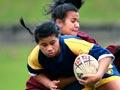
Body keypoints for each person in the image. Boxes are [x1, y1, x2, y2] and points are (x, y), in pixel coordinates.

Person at [26, 21, 120, 90]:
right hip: (78, 82)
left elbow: (105, 55)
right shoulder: (35, 56)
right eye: (44, 45)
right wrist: (48, 83)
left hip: (101, 70)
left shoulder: (71, 43)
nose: (49, 48)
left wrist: (98, 75)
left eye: (52, 43)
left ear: (59, 38)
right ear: (38, 44)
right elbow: (34, 72)